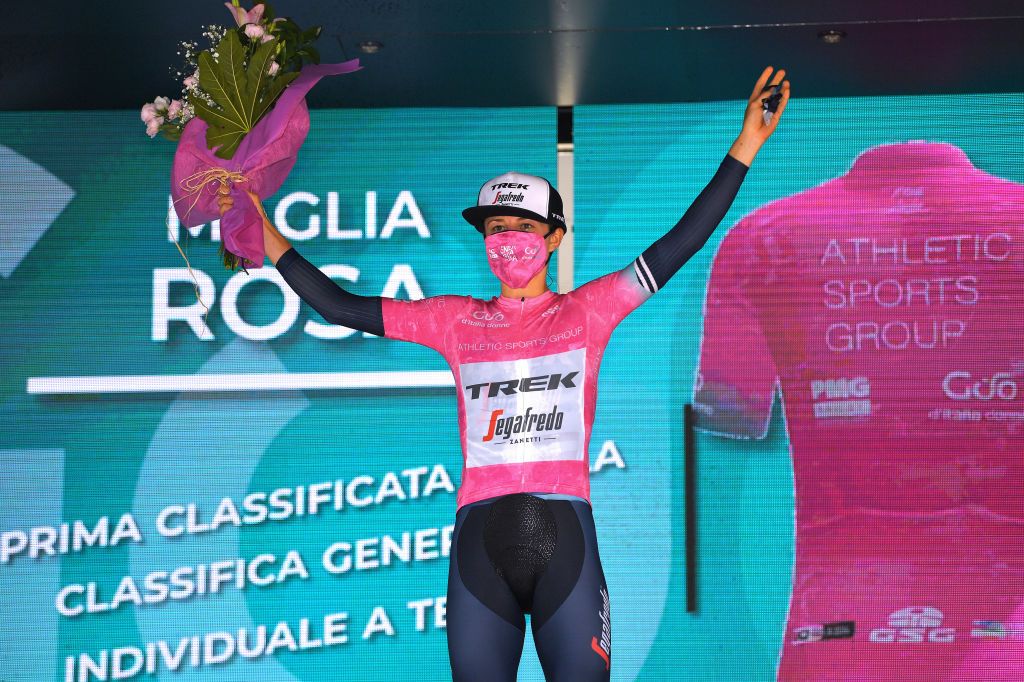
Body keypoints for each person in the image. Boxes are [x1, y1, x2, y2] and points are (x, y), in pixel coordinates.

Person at [217, 66, 789, 681]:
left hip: (564, 535)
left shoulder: (589, 310)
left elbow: (682, 241)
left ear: (555, 237)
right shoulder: (455, 321)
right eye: (496, 229)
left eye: (522, 228)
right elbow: (339, 307)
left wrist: (746, 145)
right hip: (478, 543)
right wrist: (262, 227)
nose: (507, 240)